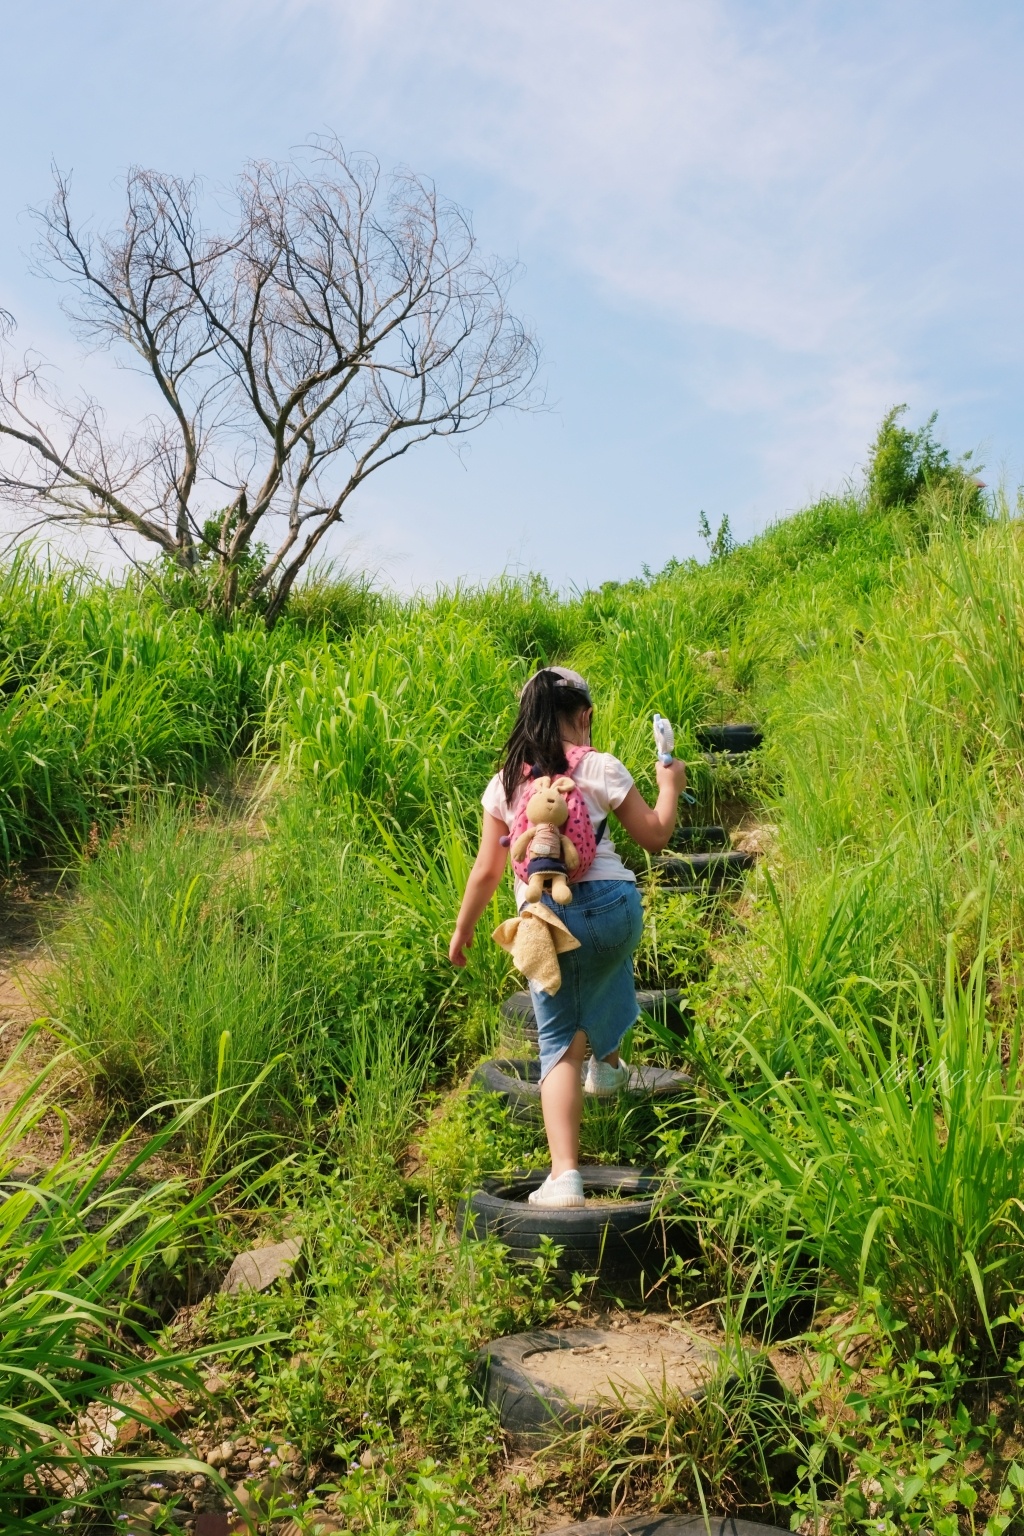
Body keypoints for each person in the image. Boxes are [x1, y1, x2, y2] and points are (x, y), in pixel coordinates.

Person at [448, 666, 688, 1208]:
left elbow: (487, 872)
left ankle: (564, 1174)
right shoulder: (601, 765)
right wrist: (669, 785)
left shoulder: (506, 783)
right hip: (618, 910)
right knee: (606, 963)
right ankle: (606, 1065)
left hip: (552, 924)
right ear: (585, 716)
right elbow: (655, 835)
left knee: (557, 1045)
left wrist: (463, 931)